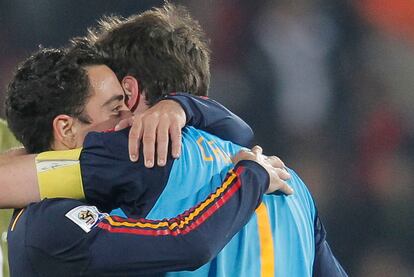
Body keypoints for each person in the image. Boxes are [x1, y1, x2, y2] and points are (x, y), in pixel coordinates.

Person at [2, 3, 346, 276]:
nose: (119, 120)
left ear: (131, 90)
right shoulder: (294, 187)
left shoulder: (136, 154)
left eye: (119, 102)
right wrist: (188, 106)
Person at [4, 46, 288, 276]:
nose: (130, 119)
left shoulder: (82, 193)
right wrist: (250, 176)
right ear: (66, 129)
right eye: (116, 109)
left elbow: (239, 130)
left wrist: (178, 105)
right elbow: (185, 243)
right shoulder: (51, 224)